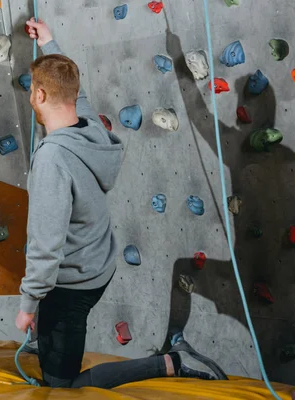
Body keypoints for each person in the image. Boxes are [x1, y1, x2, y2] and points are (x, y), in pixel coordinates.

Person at [15, 18, 228, 388]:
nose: (32, 94)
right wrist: (50, 43)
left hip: (70, 284)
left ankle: (168, 362)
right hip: (98, 266)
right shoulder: (90, 127)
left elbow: (46, 243)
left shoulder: (52, 159)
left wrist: (28, 304)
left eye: (34, 88)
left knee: (62, 389)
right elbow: (76, 93)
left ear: (41, 96)